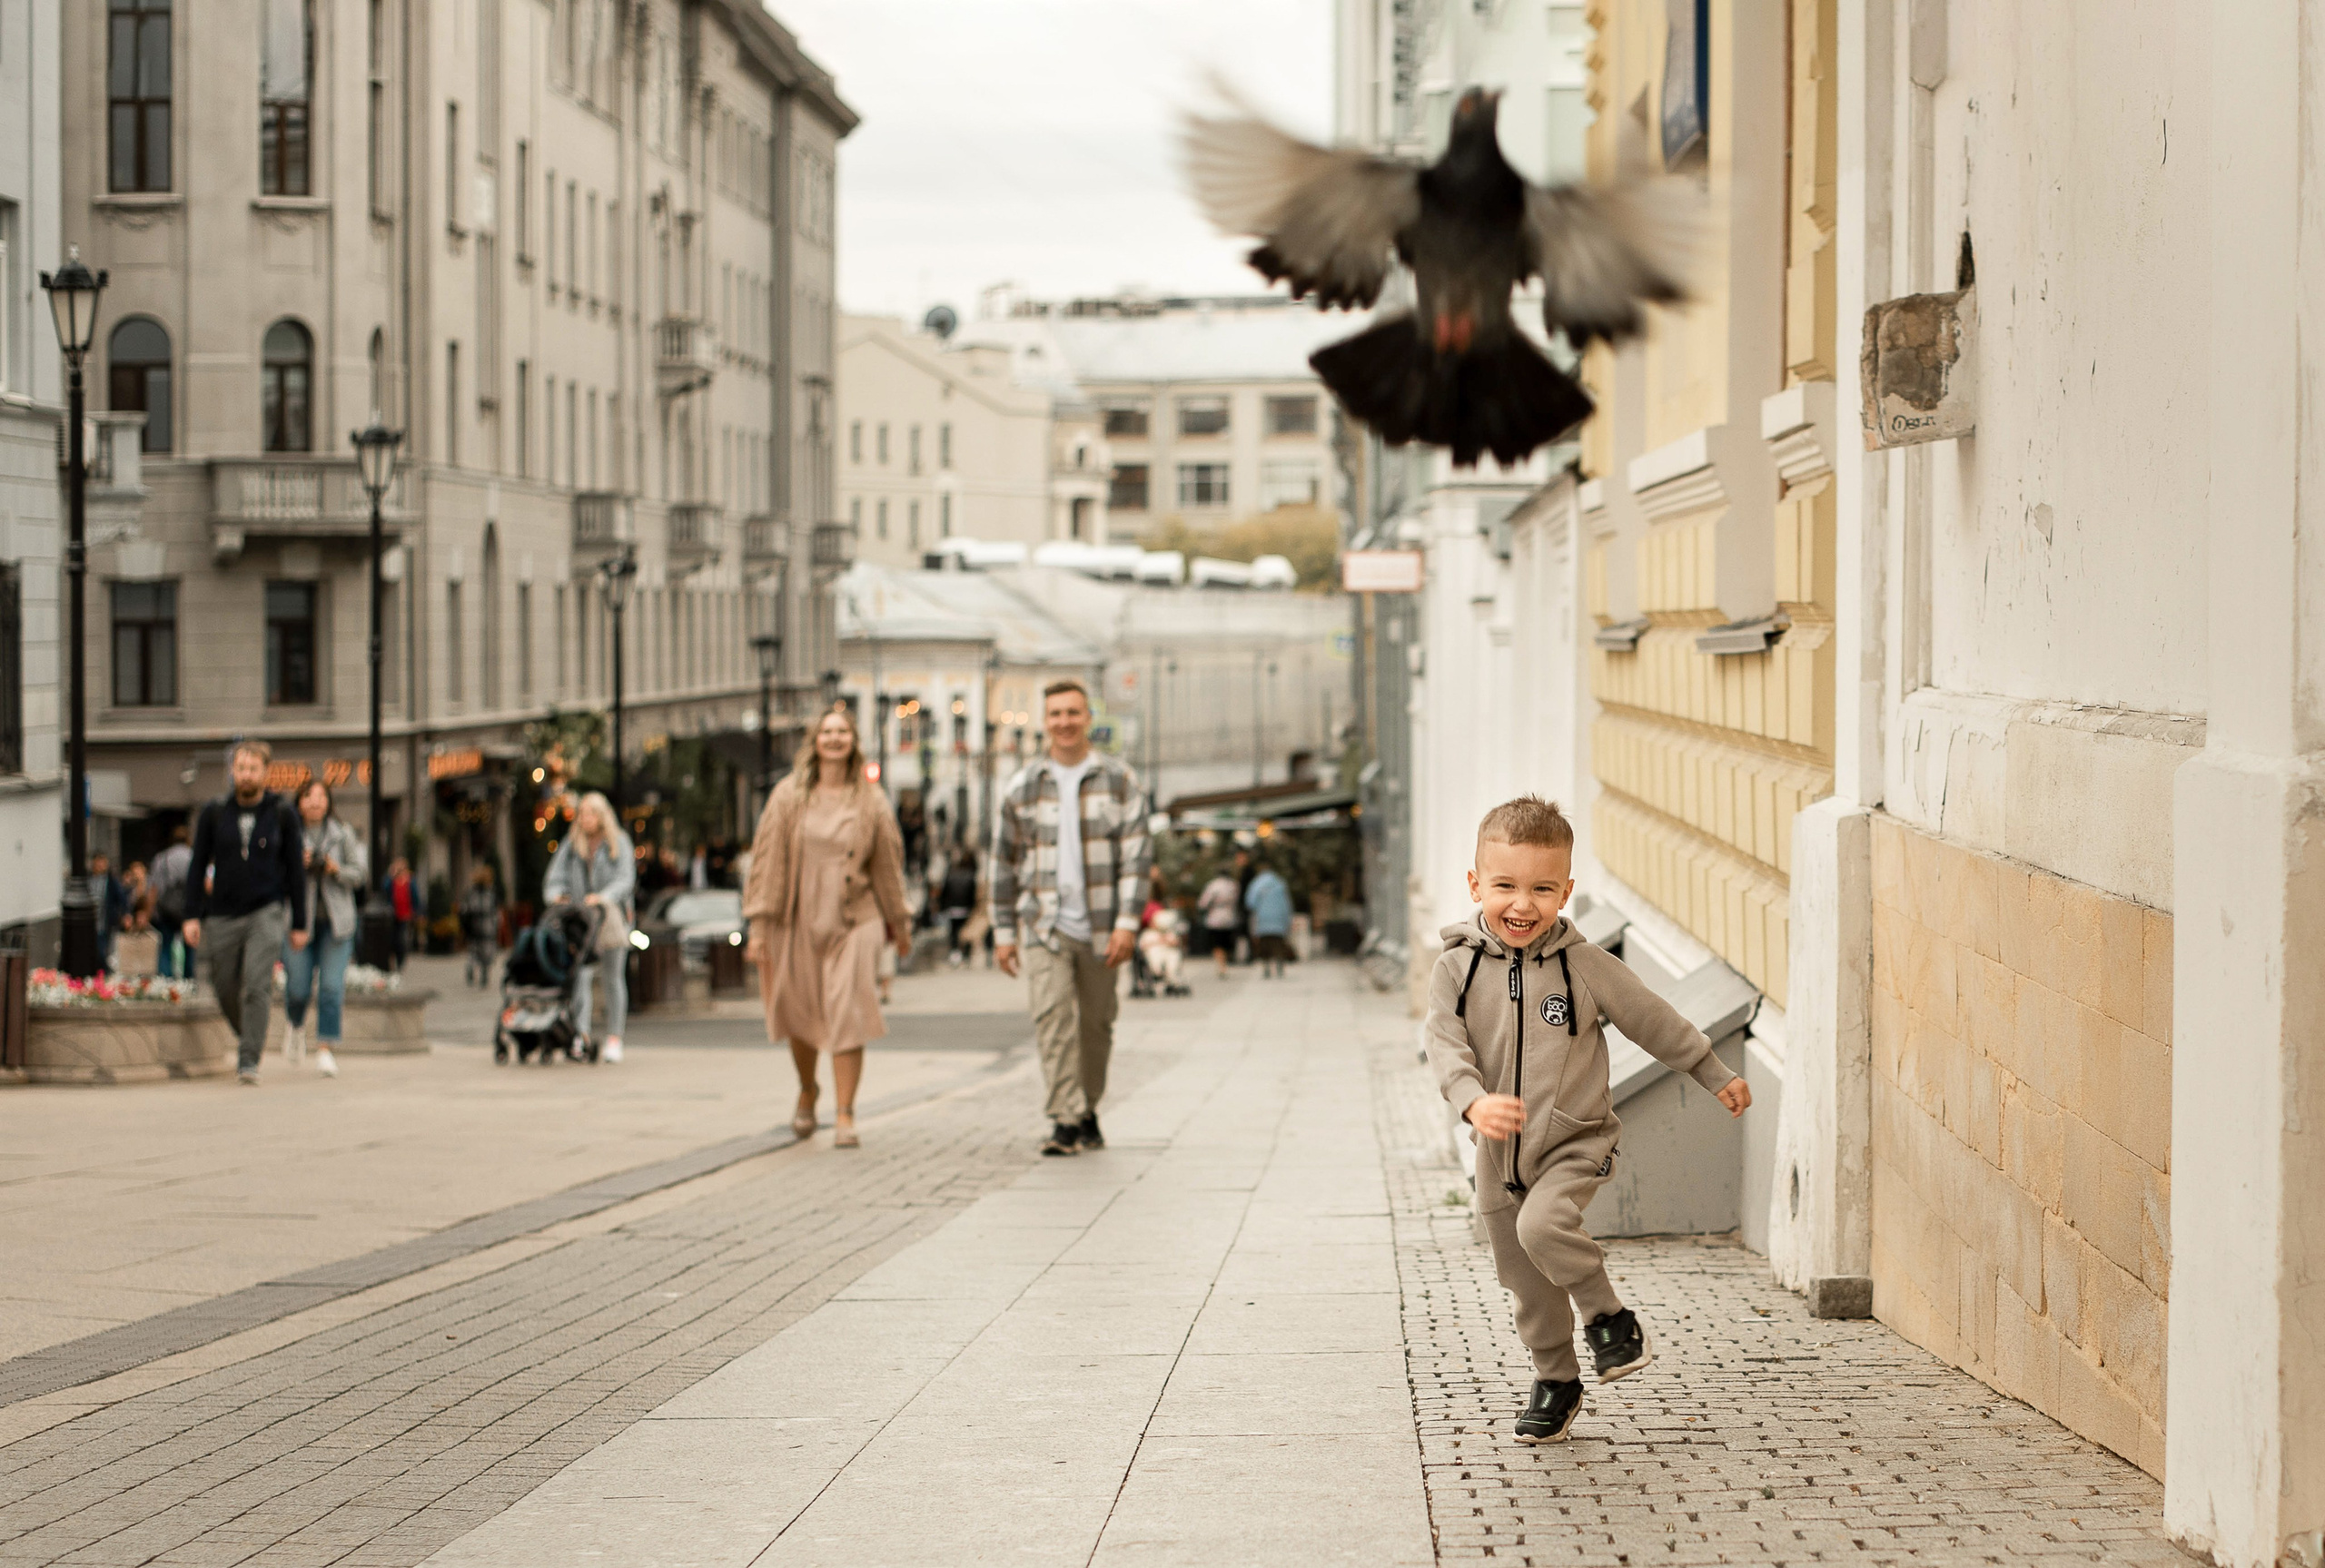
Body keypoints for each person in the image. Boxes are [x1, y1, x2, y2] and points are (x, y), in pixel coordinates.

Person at [1425, 795, 1751, 1445]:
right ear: (1475, 885)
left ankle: (1610, 1318)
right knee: (1523, 1277)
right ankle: (1557, 1380)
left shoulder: (1583, 965)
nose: (1523, 904)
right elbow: (1443, 1042)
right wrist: (1472, 1100)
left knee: (1545, 1226)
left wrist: (1714, 1071)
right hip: (1496, 1155)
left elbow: (1652, 1017)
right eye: (1505, 886)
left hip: (1574, 1140)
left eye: (1543, 888)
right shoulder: (1456, 970)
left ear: (1566, 890)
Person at [991, 679, 1148, 1158]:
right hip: (1044, 924)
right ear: (1045, 722)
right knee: (1053, 1020)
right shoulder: (1022, 786)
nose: (1064, 723)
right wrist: (1002, 932)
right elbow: (1003, 864)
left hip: (1103, 927)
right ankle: (1064, 1118)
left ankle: (1088, 1108)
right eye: (1056, 714)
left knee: (1096, 1027)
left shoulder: (1120, 780)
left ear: (1088, 719)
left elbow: (1138, 858)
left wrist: (1127, 923)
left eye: (1073, 713)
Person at [743, 705, 912, 1149]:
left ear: (853, 742)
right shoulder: (787, 796)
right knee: (798, 1013)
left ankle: (845, 1113)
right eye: (827, 732)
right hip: (797, 917)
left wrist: (901, 921)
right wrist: (759, 927)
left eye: (843, 732)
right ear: (814, 742)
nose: (835, 739)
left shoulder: (871, 801)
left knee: (846, 1013)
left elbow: (888, 868)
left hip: (856, 919)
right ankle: (807, 1088)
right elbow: (766, 864)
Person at [183, 740, 309, 1085]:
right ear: (232, 772)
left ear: (266, 772)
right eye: (241, 768)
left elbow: (295, 872)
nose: (247, 775)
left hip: (265, 910)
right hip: (222, 912)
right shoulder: (214, 812)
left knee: (257, 985)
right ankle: (249, 1032)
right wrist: (191, 914)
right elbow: (197, 866)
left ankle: (248, 1057)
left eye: (253, 769)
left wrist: (299, 923)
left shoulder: (282, 814)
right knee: (223, 984)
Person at [282, 779, 368, 1078]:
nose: (316, 802)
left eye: (321, 796)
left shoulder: (341, 834)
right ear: (299, 802)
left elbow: (360, 874)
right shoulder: (289, 834)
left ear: (329, 803)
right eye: (309, 796)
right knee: (297, 989)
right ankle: (294, 1026)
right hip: (298, 924)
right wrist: (297, 865)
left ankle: (325, 1049)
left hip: (337, 925)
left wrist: (336, 870)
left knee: (331, 988)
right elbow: (274, 876)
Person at [543, 793, 636, 1063]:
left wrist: (604, 897)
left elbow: (625, 879)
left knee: (613, 978)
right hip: (582, 921)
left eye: (590, 813)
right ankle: (581, 1036)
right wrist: (558, 896)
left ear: (602, 815)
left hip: (610, 918)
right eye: (582, 813)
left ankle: (614, 1038)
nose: (585, 818)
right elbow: (554, 879)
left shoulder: (618, 842)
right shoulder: (571, 845)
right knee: (581, 977)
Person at [150, 824, 193, 978]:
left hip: (166, 910)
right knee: (189, 946)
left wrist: (149, 911)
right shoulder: (193, 857)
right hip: (189, 909)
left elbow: (154, 888)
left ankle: (166, 981)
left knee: (166, 946)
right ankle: (189, 981)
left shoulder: (162, 858)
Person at [1244, 858, 1295, 978]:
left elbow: (1250, 902)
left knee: (1264, 945)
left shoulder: (1256, 883)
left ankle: (1266, 967)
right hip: (1279, 919)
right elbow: (1287, 903)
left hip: (1263, 919)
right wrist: (1288, 918)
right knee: (1278, 944)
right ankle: (1280, 965)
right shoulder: (1279, 882)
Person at [459, 864, 502, 988]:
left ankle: (471, 967)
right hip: (487, 926)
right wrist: (497, 925)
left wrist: (465, 927)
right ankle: (484, 973)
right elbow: (496, 912)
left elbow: (464, 911)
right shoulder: (491, 893)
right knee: (486, 952)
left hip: (474, 926)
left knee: (473, 950)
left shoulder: (471, 893)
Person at [1197, 864, 1241, 977]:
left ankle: (1221, 966)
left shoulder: (1213, 885)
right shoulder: (1233, 885)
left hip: (1215, 917)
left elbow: (1203, 903)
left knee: (1217, 943)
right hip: (1230, 916)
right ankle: (1224, 964)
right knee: (1226, 942)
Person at [938, 852, 980, 966]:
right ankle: (966, 955)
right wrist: (973, 908)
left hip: (952, 909)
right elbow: (973, 895)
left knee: (954, 932)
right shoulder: (971, 876)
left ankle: (955, 954)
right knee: (966, 931)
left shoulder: (951, 875)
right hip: (966, 909)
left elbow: (944, 893)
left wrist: (943, 906)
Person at [383, 859, 416, 969]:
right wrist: (391, 875)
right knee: (392, 939)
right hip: (392, 915)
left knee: (401, 939)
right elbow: (384, 888)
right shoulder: (391, 881)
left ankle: (400, 961)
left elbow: (415, 897)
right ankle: (391, 961)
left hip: (405, 915)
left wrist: (417, 911)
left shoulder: (410, 881)